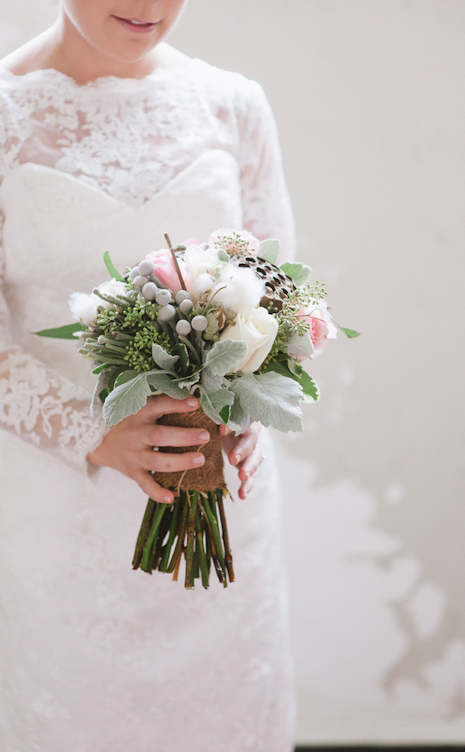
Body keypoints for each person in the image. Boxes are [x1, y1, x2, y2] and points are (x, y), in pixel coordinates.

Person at [0, 2, 295, 750]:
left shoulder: (233, 104)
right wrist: (93, 431)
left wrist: (249, 408)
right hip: (60, 502)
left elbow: (278, 291)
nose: (150, 5)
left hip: (221, 490)